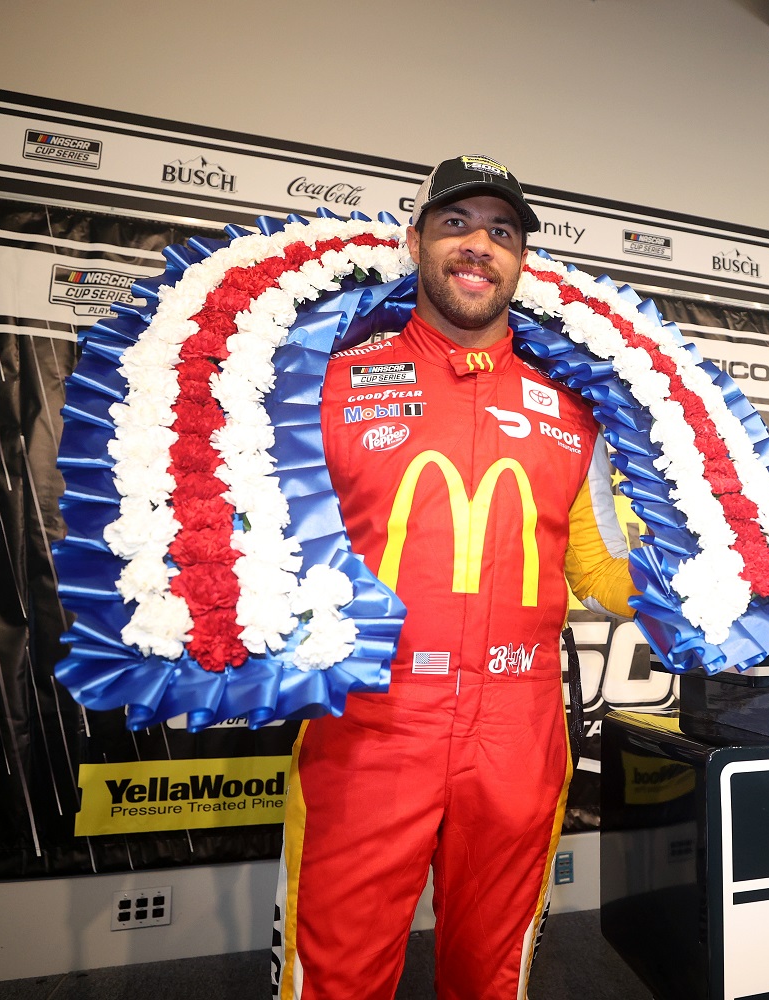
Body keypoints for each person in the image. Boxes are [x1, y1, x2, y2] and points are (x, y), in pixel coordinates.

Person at [274, 155, 638, 1000]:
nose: (480, 245)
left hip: (518, 733)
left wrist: (702, 589)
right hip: (369, 724)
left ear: (520, 263)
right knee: (335, 978)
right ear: (415, 242)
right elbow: (273, 550)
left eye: (502, 233)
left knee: (492, 975)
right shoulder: (330, 383)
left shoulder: (575, 408)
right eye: (457, 225)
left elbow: (597, 569)